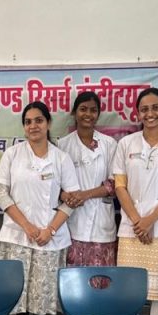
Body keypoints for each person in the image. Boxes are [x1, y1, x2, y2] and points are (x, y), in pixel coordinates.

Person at [0, 101, 81, 315]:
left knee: (41, 295)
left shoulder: (61, 158)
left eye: (39, 120)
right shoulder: (12, 154)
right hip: (17, 235)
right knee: (18, 291)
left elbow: (71, 200)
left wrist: (49, 230)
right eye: (28, 122)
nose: (33, 126)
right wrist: (27, 227)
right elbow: (1, 194)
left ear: (48, 123)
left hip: (49, 237)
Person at [111, 87, 158, 315]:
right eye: (144, 109)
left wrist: (150, 220)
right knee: (129, 289)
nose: (150, 114)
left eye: (156, 108)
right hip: (131, 228)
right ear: (137, 113)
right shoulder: (126, 143)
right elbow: (119, 186)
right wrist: (138, 222)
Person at [57, 91, 118, 267]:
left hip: (102, 225)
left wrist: (84, 195)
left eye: (93, 110)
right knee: (72, 279)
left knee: (102, 278)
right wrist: (64, 196)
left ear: (98, 114)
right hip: (72, 222)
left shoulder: (109, 144)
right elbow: (54, 185)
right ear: (74, 112)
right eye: (83, 109)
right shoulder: (63, 145)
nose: (88, 114)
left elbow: (115, 184)